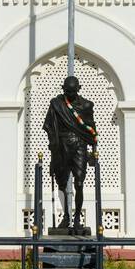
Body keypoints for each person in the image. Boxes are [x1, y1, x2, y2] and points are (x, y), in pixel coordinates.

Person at [43, 75, 97, 234]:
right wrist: (53, 150)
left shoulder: (86, 105)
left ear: (78, 90)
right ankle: (66, 216)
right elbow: (49, 127)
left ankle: (78, 217)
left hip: (80, 145)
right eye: (67, 91)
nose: (70, 94)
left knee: (79, 183)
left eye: (73, 92)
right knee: (61, 181)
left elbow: (92, 129)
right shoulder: (56, 104)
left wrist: (93, 153)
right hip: (62, 146)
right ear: (63, 89)